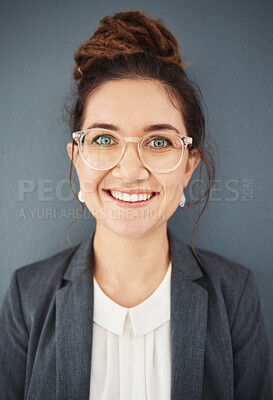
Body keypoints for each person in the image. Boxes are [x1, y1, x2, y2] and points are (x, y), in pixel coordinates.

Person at [0, 9, 272, 400]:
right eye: (104, 139)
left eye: (159, 142)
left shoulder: (235, 294)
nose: (129, 171)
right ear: (76, 158)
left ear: (189, 167)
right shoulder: (27, 295)